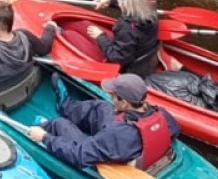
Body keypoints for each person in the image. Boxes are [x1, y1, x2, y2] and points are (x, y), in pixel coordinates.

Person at [27, 73, 180, 170]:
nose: (112, 98)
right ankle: (66, 106)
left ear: (125, 103)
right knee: (103, 107)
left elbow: (78, 156)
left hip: (108, 155)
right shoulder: (161, 114)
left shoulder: (115, 135)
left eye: (114, 96)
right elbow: (174, 130)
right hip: (124, 141)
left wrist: (45, 138)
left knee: (60, 123)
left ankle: (42, 128)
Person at [87, 0, 162, 75]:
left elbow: (116, 59)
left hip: (129, 70)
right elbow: (134, 1)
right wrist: (110, 0)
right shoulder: (152, 7)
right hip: (144, 61)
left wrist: (100, 37)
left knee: (75, 32)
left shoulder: (126, 28)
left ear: (125, 1)